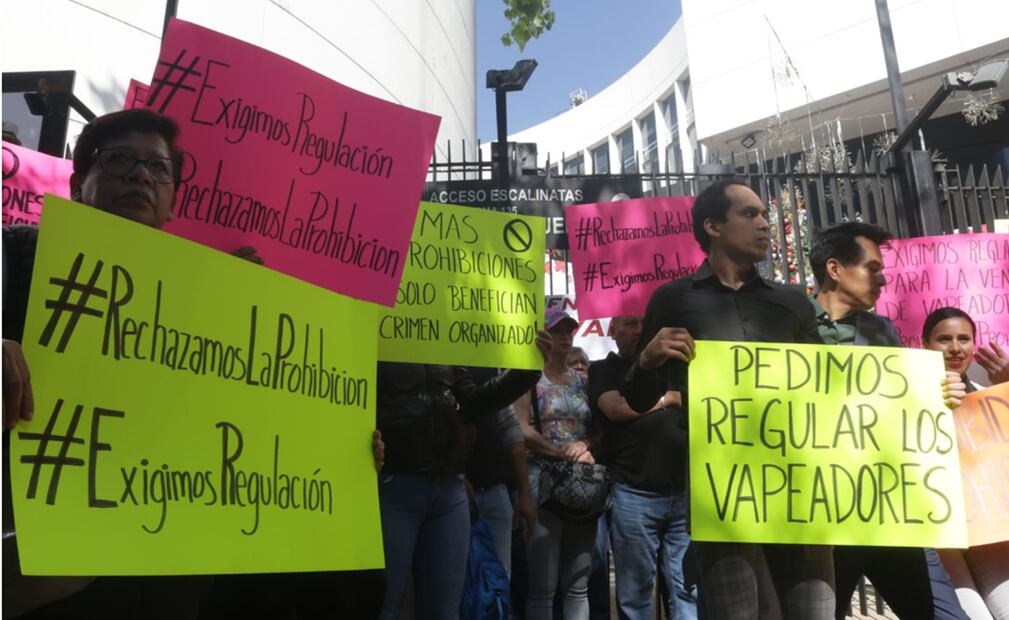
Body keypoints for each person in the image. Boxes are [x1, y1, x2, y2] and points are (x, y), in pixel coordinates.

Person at [2, 109, 383, 619]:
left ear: (173, 200)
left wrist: (340, 456)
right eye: (119, 162)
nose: (141, 176)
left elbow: (259, 419)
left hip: (170, 580)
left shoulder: (212, 299)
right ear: (78, 182)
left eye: (158, 169)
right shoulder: (16, 257)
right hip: (46, 582)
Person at [624, 179, 833, 619]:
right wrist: (646, 361)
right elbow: (637, 399)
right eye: (750, 214)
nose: (765, 224)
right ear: (713, 226)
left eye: (765, 214)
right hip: (724, 498)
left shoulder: (793, 302)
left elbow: (831, 392)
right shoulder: (673, 299)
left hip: (800, 493)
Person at [807, 222, 968, 620]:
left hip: (885, 510)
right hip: (820, 516)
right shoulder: (788, 325)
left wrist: (939, 396)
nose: (882, 278)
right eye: (872, 268)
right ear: (834, 269)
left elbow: (901, 408)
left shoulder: (881, 330)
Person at [375, 349, 548, 620]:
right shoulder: (375, 329)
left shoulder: (445, 340)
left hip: (449, 489)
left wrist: (527, 370)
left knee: (446, 610)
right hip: (395, 483)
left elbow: (474, 403)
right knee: (386, 604)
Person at [589, 315, 696, 620]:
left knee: (686, 591)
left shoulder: (676, 366)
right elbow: (615, 408)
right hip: (634, 495)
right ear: (612, 331)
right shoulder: (603, 369)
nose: (637, 330)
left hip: (683, 493)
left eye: (641, 324)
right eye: (628, 324)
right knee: (635, 595)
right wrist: (667, 399)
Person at [923, 307, 1009, 620]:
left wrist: (1008, 386)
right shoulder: (907, 400)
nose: (955, 347)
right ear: (925, 345)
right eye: (944, 339)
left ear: (974, 345)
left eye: (964, 338)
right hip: (941, 536)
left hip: (989, 533)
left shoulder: (992, 397)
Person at [515, 307, 597, 620]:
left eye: (568, 330)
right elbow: (521, 428)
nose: (564, 337)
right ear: (543, 335)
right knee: (543, 587)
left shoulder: (584, 381)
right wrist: (557, 450)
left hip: (581, 486)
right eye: (557, 330)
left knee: (578, 585)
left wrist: (585, 446)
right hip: (541, 483)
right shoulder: (528, 379)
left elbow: (598, 430)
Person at [464, 367, 538, 577]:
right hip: (457, 492)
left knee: (499, 580)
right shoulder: (445, 368)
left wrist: (524, 493)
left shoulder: (490, 368)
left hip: (496, 491)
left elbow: (510, 428)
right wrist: (457, 474)